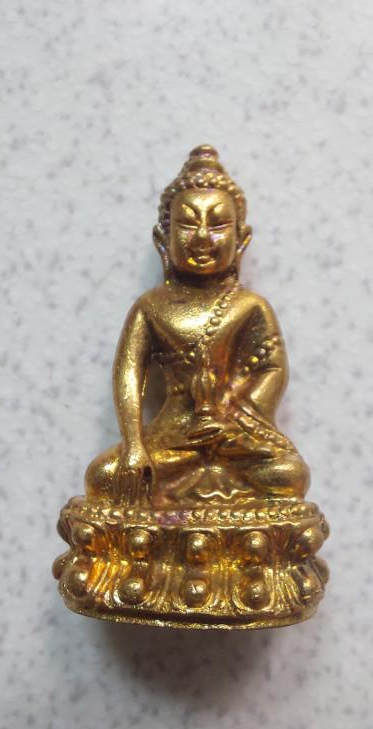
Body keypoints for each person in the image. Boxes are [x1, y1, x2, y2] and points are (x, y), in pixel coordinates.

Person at [85, 145, 309, 508]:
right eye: (188, 224)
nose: (203, 236)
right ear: (163, 239)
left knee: (288, 475)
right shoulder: (151, 306)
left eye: (218, 225)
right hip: (172, 442)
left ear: (241, 240)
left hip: (232, 442)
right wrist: (134, 446)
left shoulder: (250, 307)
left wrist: (231, 424)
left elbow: (272, 369)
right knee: (103, 477)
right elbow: (128, 374)